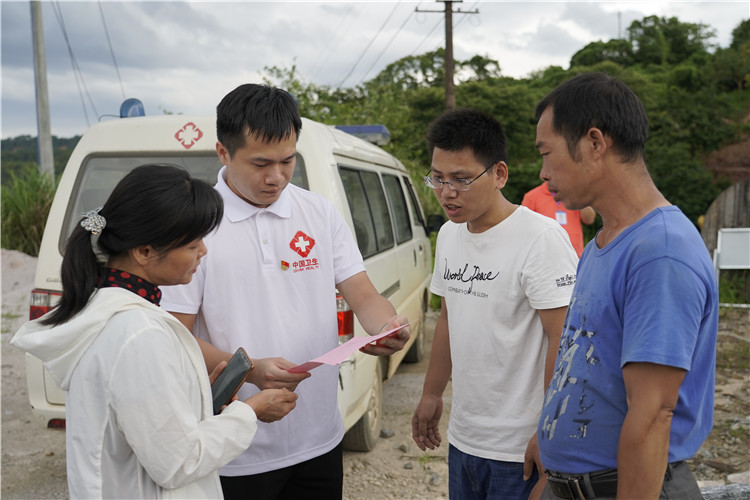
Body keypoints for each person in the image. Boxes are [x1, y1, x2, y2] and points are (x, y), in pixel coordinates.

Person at [160, 83, 410, 500]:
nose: (276, 177)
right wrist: (249, 368)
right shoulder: (196, 225)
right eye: (260, 163)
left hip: (319, 436)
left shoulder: (318, 213)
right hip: (234, 447)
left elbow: (364, 296)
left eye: (287, 161)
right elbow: (175, 338)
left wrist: (387, 325)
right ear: (223, 152)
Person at [11, 164, 298, 499]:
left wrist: (200, 397)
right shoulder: (138, 333)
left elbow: (139, 419)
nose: (203, 252)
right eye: (192, 245)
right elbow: (179, 463)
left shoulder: (109, 311)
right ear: (145, 252)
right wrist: (250, 411)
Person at [534, 72, 718, 499]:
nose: (543, 173)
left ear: (595, 143)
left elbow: (653, 414)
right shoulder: (604, 241)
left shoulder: (660, 253)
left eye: (547, 153)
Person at [411, 108, 578, 499]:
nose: (447, 192)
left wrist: (548, 433)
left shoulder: (540, 239)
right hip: (465, 437)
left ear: (499, 174)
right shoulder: (451, 235)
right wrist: (432, 394)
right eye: (437, 178)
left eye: (461, 179)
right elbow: (449, 317)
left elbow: (564, 339)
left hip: (520, 447)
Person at [521, 181, 596, 257]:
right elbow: (524, 231)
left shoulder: (573, 194)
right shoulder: (531, 197)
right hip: (546, 259)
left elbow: (589, 219)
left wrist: (578, 196)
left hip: (575, 258)